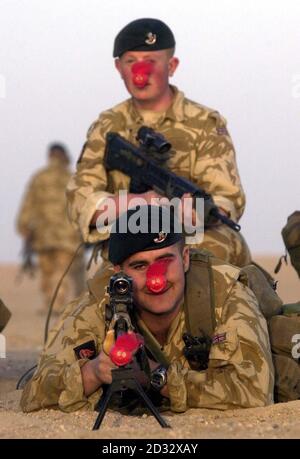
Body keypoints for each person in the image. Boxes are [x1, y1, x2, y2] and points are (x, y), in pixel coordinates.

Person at [20, 205, 274, 413]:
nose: (157, 280)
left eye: (165, 261)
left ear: (185, 258)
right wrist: (94, 372)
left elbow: (254, 391)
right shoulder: (99, 303)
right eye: (140, 266)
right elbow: (34, 393)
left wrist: (155, 376)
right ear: (118, 273)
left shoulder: (225, 292)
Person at [66, 17, 251, 268]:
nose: (140, 72)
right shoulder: (107, 126)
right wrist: (140, 204)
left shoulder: (205, 124)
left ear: (172, 65)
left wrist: (189, 213)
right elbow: (80, 198)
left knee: (218, 252)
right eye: (131, 61)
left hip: (190, 240)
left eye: (151, 61)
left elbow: (226, 198)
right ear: (119, 67)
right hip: (123, 240)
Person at [16, 143, 85, 314]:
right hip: (67, 236)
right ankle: (56, 305)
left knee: (47, 272)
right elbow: (83, 207)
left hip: (43, 235)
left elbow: (28, 204)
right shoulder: (73, 179)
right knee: (61, 272)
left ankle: (52, 305)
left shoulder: (39, 177)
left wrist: (24, 228)